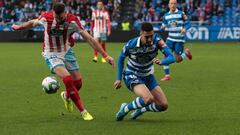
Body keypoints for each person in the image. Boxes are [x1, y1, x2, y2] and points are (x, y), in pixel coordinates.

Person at [12, 2, 115, 121]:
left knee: (78, 84)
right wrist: (19, 27)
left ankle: (66, 95)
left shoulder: (73, 21)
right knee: (67, 79)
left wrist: (105, 55)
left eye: (61, 17)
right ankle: (83, 111)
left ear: (65, 13)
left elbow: (90, 39)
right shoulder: (46, 17)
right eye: (57, 17)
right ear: (53, 13)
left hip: (66, 51)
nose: (59, 20)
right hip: (51, 53)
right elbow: (32, 22)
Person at [114, 22, 175, 121]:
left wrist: (162, 61)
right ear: (141, 33)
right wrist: (118, 79)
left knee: (163, 105)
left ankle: (141, 110)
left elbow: (171, 58)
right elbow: (121, 58)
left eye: (151, 36)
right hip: (132, 75)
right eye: (147, 37)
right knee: (148, 98)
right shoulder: (132, 44)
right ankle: (125, 109)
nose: (150, 39)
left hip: (148, 76)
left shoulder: (157, 41)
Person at [160, 0, 192, 81]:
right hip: (170, 39)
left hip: (179, 39)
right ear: (168, 5)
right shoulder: (166, 15)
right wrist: (163, 27)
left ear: (176, 4)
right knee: (165, 55)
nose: (173, 5)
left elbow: (189, 23)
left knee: (177, 60)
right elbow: (163, 25)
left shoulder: (181, 13)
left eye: (174, 3)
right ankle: (167, 75)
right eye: (171, 3)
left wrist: (185, 29)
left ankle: (186, 53)